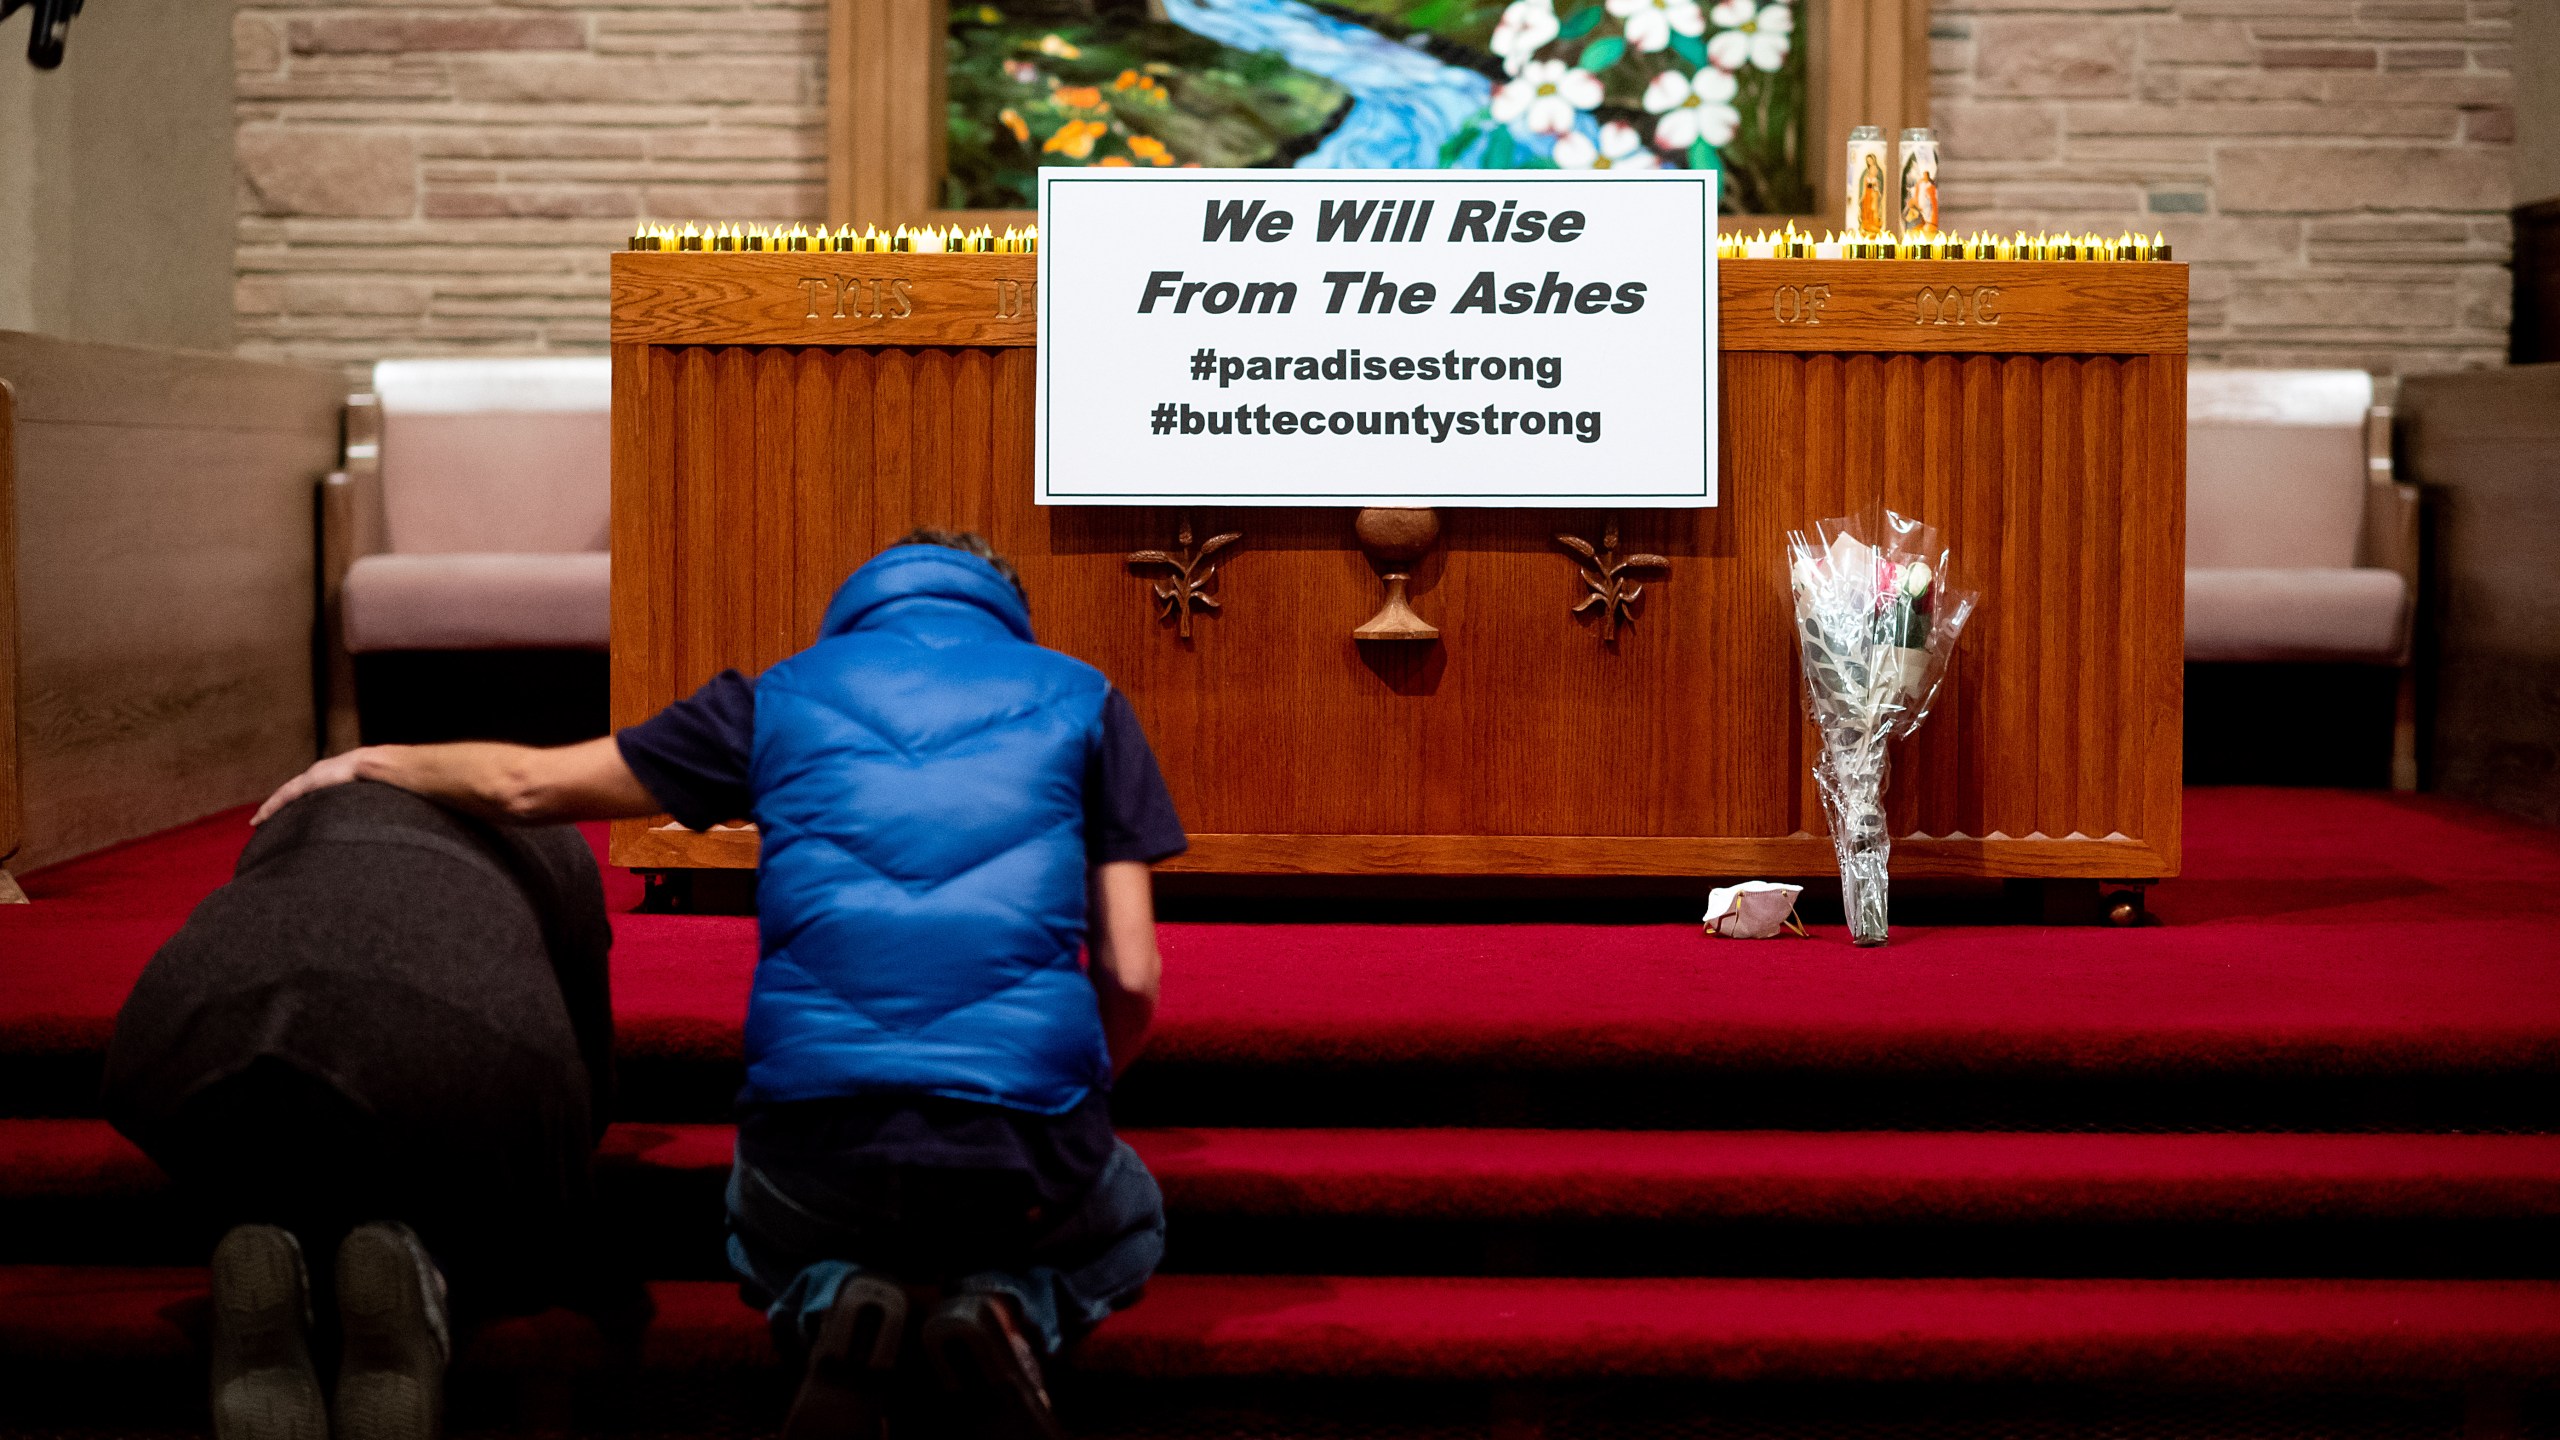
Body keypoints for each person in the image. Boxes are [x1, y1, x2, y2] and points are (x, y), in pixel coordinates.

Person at [250, 530, 1183, 1440]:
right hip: (1024, 1151)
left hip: (819, 1144)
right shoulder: (1086, 699)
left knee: (758, 1210)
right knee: (1128, 1210)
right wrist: (1068, 1099)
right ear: (1006, 611)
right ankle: (1009, 1312)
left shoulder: (777, 698)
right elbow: (1131, 974)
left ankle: (827, 1304)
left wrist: (371, 759)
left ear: (859, 606)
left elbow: (526, 784)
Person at [104, 779, 623, 1440]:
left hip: (181, 1030)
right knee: (490, 1157)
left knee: (281, 1094)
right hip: (455, 1044)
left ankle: (269, 1236)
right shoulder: (553, 829)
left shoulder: (300, 800)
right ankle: (423, 1272)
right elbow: (593, 1081)